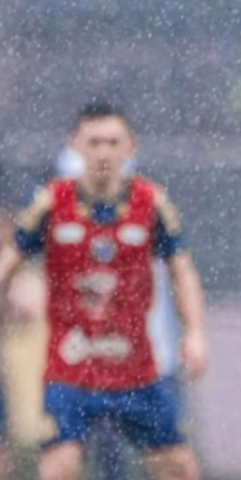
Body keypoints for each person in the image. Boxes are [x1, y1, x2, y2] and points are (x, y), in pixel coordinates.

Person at [0, 101, 208, 480]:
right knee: (60, 466)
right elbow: (10, 260)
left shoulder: (152, 203)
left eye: (112, 142)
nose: (103, 153)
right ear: (76, 145)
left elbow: (182, 270)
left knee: (178, 466)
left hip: (136, 370)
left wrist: (194, 333)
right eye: (94, 142)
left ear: (130, 146)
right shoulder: (51, 203)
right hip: (70, 368)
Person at [55, 141, 186, 480]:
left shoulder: (146, 210)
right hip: (80, 364)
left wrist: (189, 336)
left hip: (144, 361)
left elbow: (179, 273)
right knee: (77, 455)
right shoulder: (59, 215)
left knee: (163, 454)